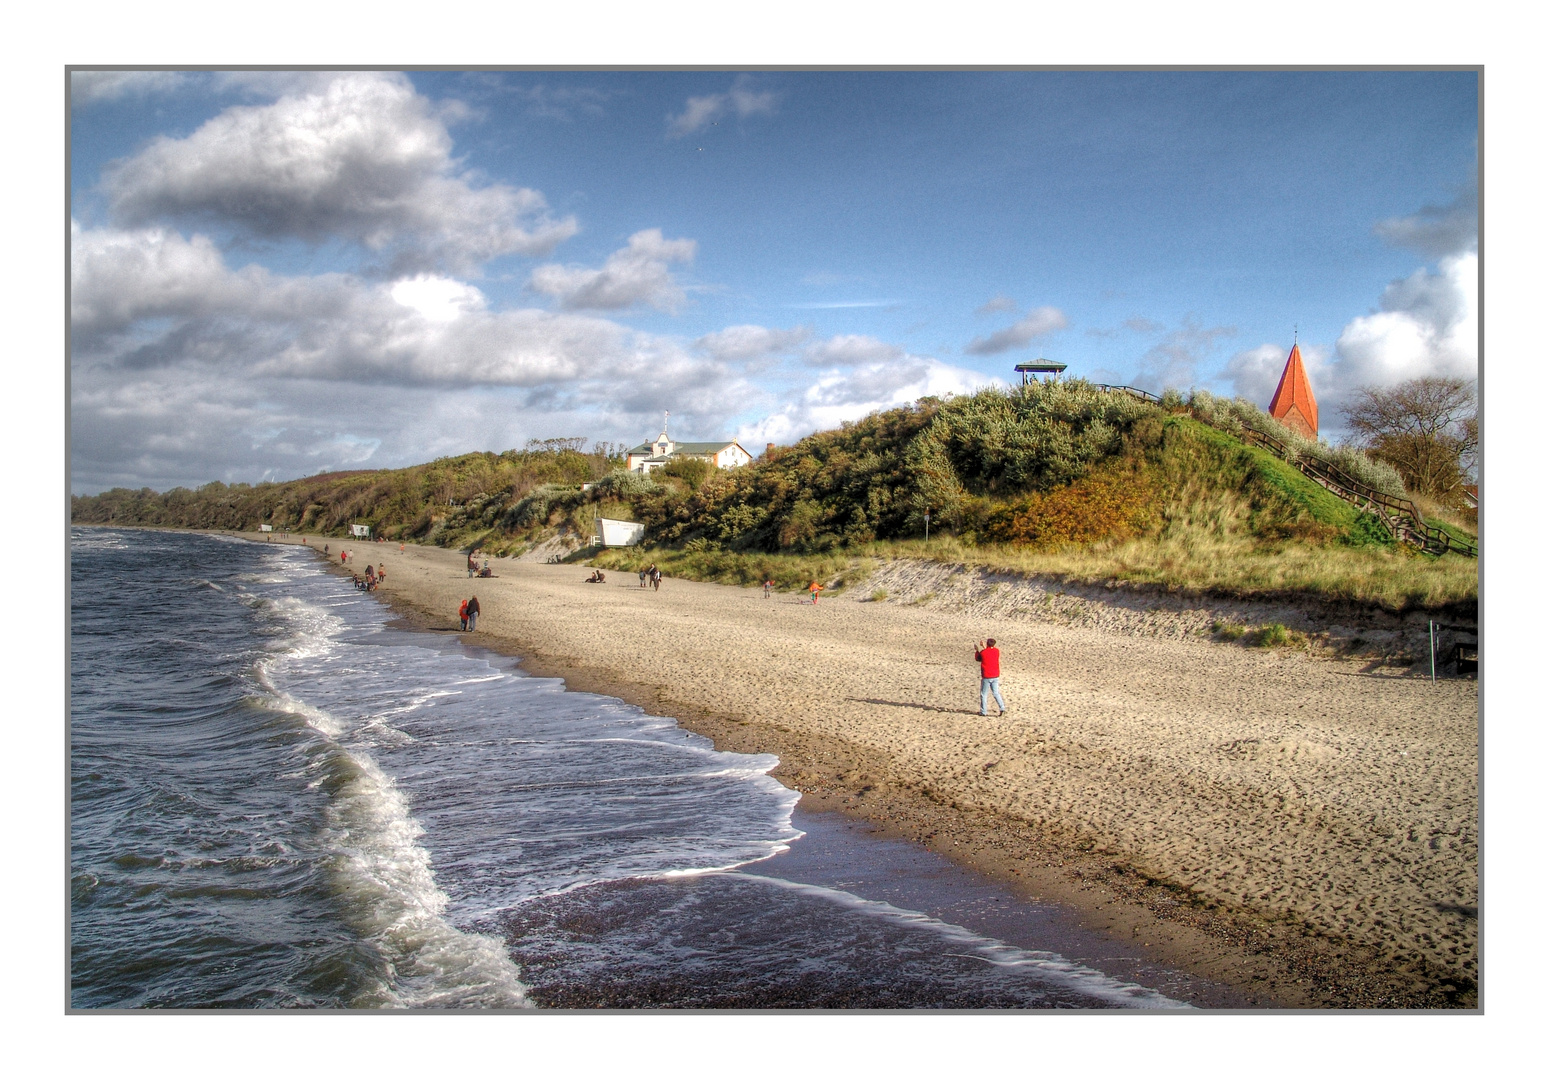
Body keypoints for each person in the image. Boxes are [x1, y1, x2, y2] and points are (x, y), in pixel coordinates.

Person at [976, 638, 1006, 716]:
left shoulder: (983, 652)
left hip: (987, 675)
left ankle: (983, 711)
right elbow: (989, 652)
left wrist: (977, 650)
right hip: (995, 675)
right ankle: (1002, 707)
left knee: (984, 694)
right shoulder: (996, 651)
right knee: (996, 693)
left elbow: (978, 658)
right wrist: (984, 647)